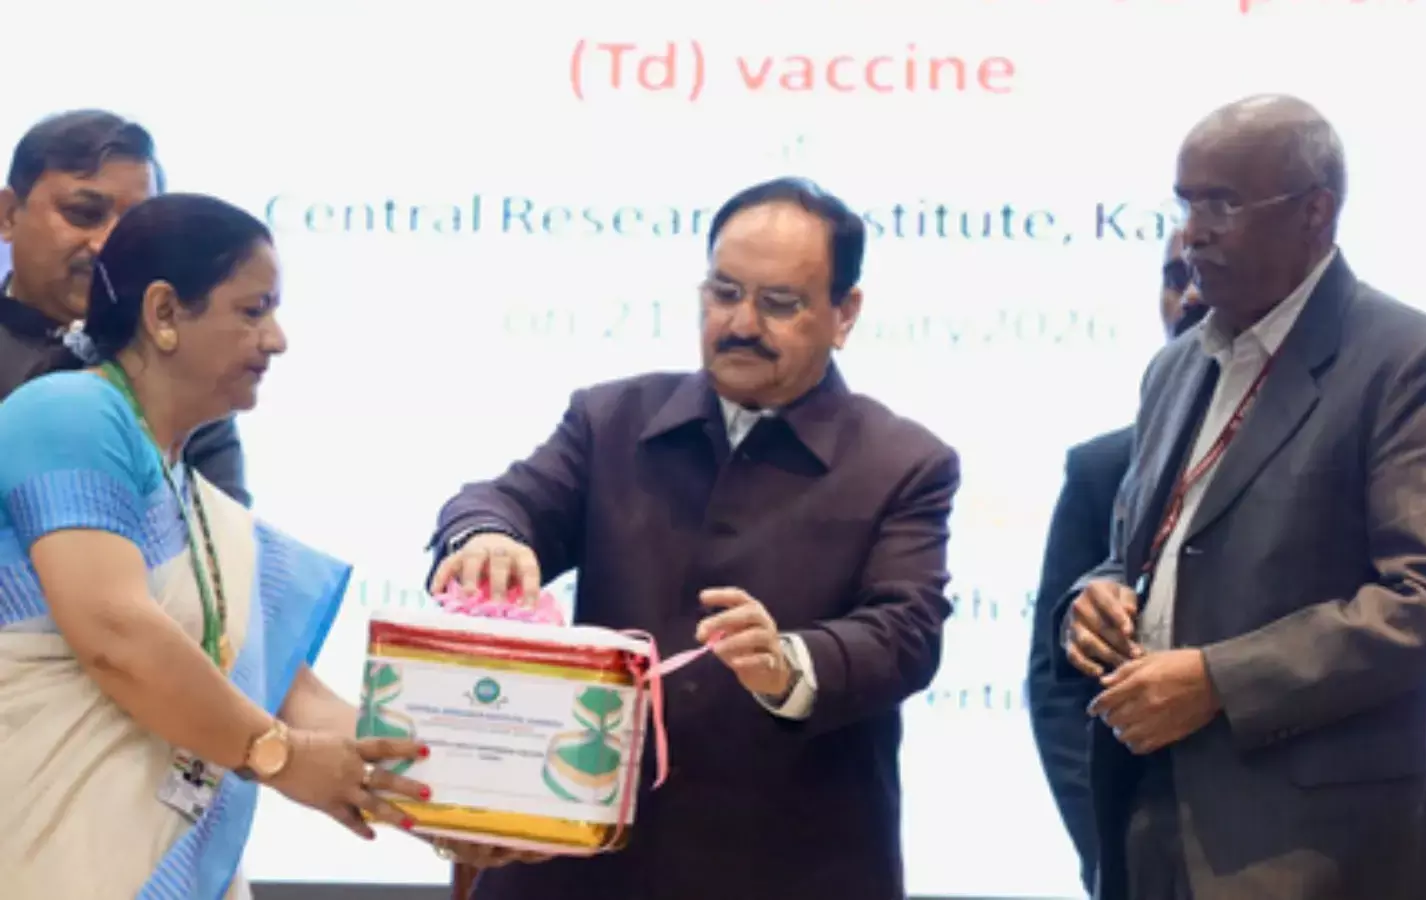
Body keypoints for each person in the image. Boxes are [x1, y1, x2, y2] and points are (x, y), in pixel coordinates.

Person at [428, 177, 960, 900]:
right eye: (724, 292)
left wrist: (789, 663)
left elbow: (906, 632)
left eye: (779, 303)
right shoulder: (611, 418)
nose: (741, 323)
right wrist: (487, 535)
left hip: (787, 865)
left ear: (845, 313)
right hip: (578, 865)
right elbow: (502, 502)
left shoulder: (903, 462)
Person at [1057, 94, 1426, 900]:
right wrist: (1100, 594)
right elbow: (1145, 552)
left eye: (1222, 204)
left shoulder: (1413, 362)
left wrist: (1219, 681)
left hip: (1315, 853)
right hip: (1152, 824)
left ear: (1314, 212)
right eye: (1186, 204)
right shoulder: (1177, 365)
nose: (1193, 232)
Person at [0, 193, 432, 899]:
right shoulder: (69, 413)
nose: (277, 339)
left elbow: (287, 691)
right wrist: (280, 757)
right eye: (253, 310)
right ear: (164, 312)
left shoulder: (198, 501)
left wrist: (454, 796)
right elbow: (115, 635)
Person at [1026, 229, 1205, 890]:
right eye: (1174, 277)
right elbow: (1058, 685)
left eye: (1205, 272)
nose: (1189, 297)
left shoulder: (1341, 437)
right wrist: (1107, 843)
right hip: (1141, 857)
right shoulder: (1104, 468)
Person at [0, 109, 248, 503]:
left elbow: (222, 528)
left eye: (134, 225)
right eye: (84, 214)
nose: (109, 245)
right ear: (8, 215)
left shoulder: (184, 361)